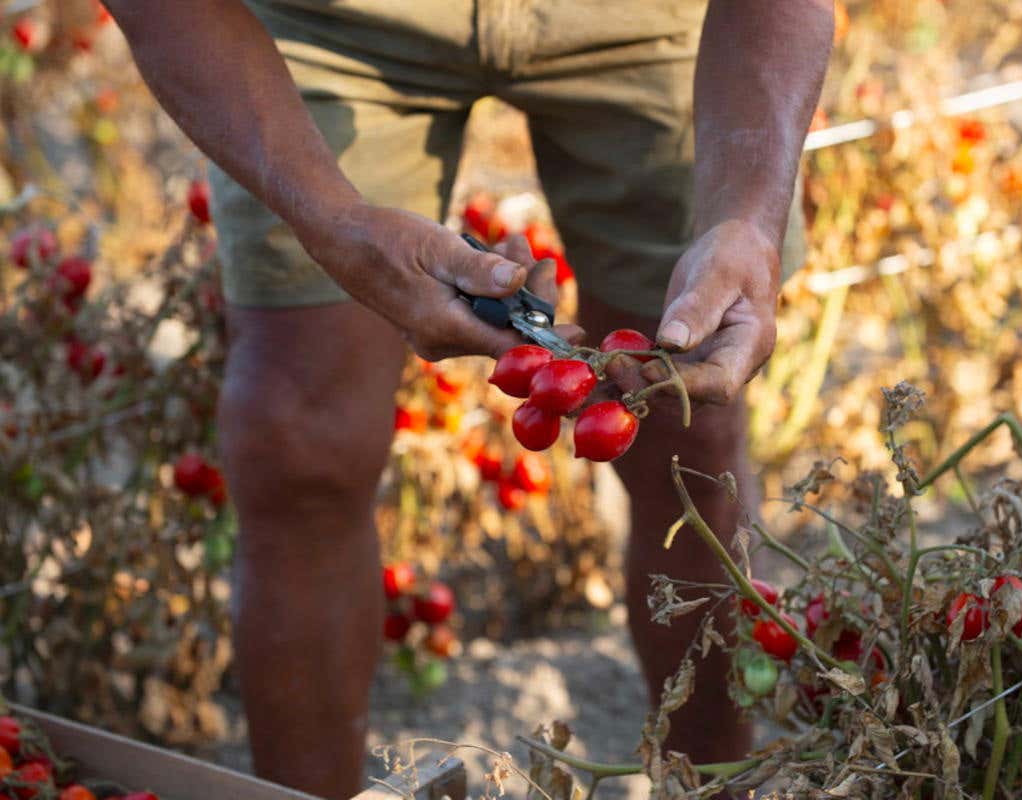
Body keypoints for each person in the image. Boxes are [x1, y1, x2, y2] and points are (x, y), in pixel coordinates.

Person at [102, 1, 833, 796]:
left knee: (693, 436)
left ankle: (709, 788)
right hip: (330, 20)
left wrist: (748, 215)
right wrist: (329, 216)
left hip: (654, 17)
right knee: (296, 439)